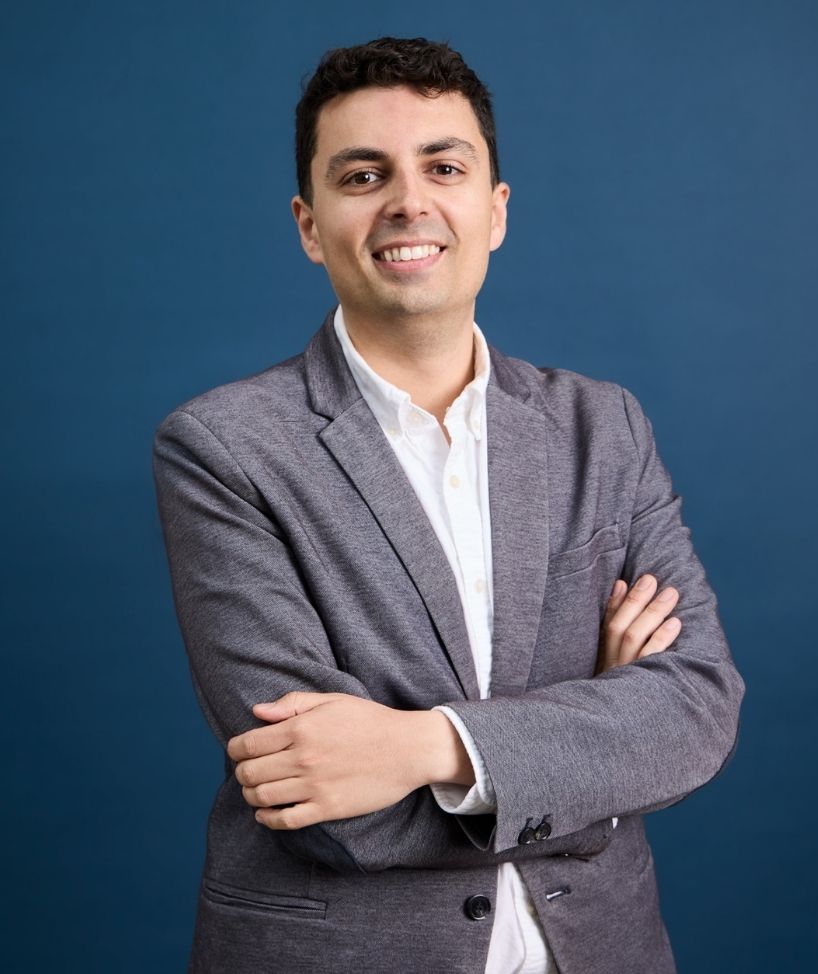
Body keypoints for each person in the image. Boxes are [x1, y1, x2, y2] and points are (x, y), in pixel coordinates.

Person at [153, 36, 744, 974]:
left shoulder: (604, 425)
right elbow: (318, 798)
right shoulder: (222, 448)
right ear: (309, 225)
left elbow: (696, 711)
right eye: (363, 175)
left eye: (443, 167)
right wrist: (592, 753)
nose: (407, 202)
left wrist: (423, 745)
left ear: (494, 209)